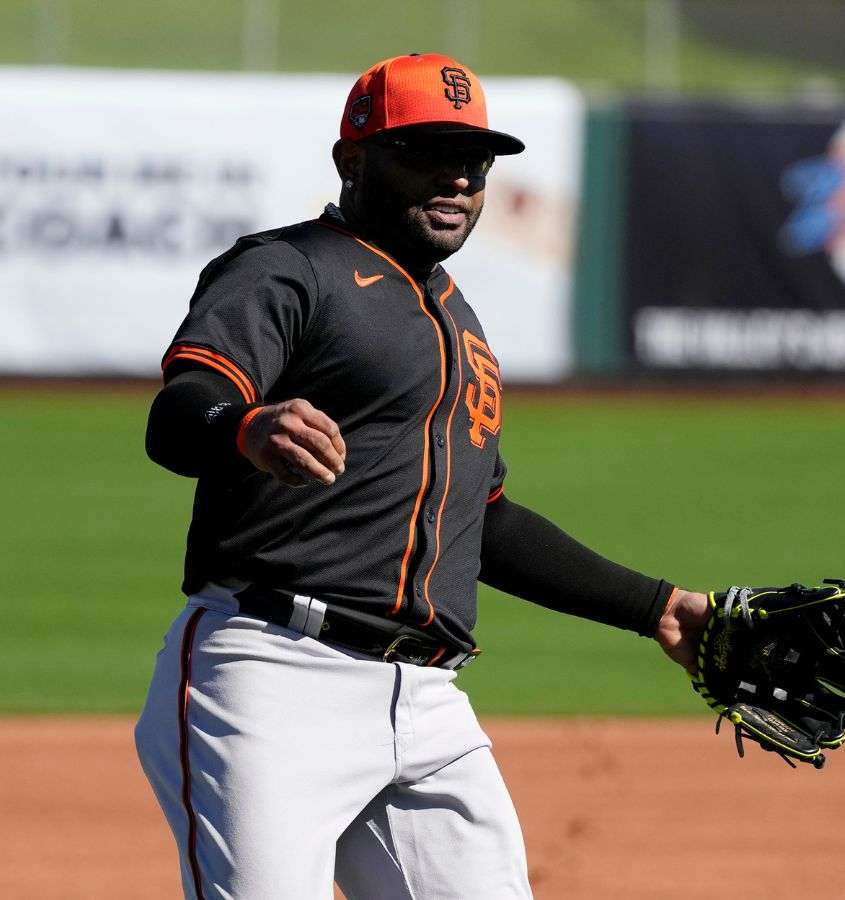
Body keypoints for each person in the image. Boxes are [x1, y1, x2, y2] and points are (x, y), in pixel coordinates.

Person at [135, 52, 710, 899]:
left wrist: (654, 606)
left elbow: (490, 522)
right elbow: (181, 411)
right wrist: (245, 426)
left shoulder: (460, 322)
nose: (458, 179)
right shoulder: (286, 269)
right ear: (352, 160)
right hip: (272, 677)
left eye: (474, 161)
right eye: (427, 153)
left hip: (429, 699)